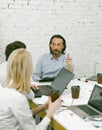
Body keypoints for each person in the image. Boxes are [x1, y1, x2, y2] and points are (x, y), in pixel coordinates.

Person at [0, 48, 61, 130]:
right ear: (27, 70)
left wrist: (42, 107)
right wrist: (50, 112)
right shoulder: (17, 97)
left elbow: (24, 115)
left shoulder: (4, 87)